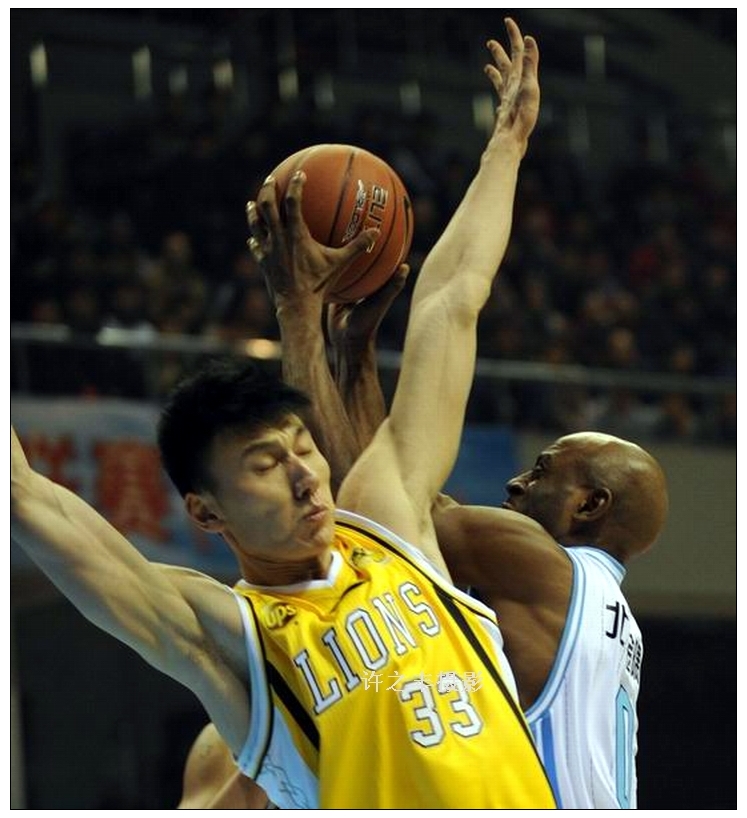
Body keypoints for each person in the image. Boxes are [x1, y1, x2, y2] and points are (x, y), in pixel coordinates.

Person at [11, 18, 555, 809]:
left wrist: (504, 147)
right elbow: (27, 497)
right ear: (205, 511)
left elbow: (448, 306)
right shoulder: (229, 639)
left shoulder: (390, 527)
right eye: (265, 465)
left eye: (302, 447)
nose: (305, 475)